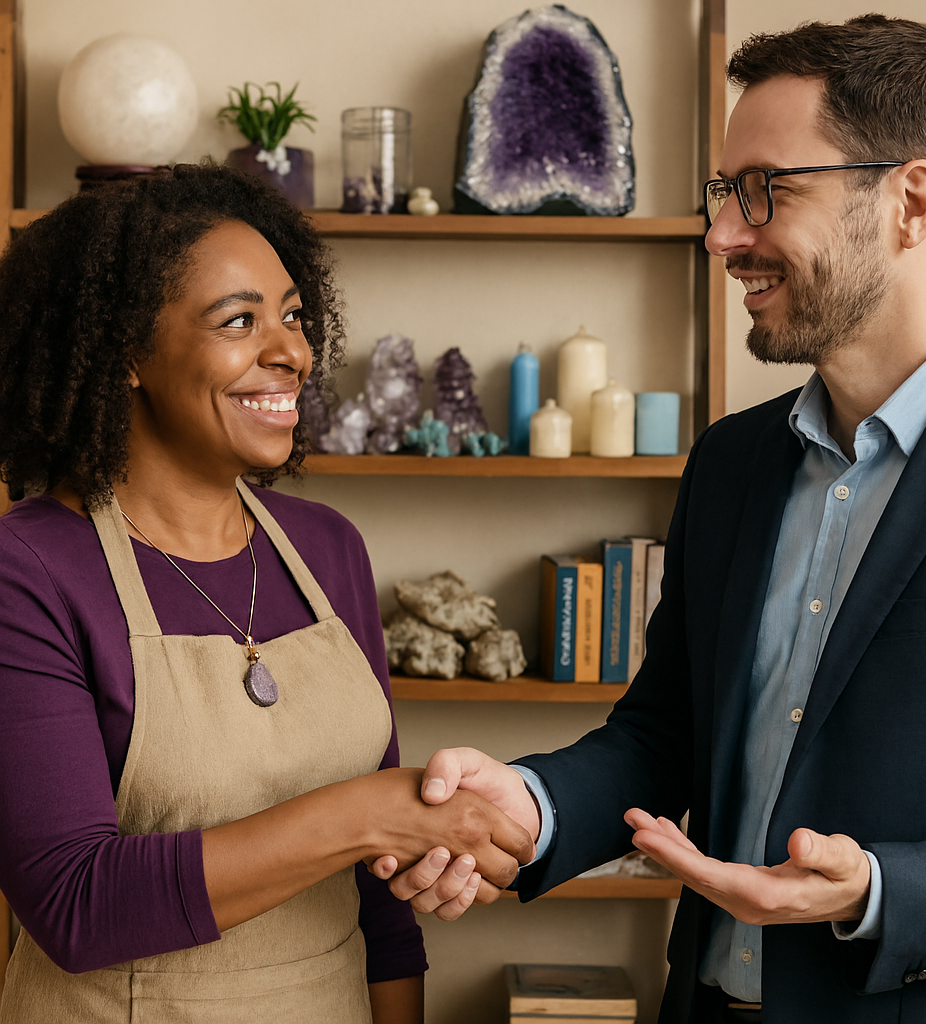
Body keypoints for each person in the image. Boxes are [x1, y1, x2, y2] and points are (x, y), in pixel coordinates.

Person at [371, 15, 926, 1023]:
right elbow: (665, 733)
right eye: (724, 194)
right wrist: (530, 805)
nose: (723, 234)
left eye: (763, 189)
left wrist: (879, 892)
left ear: (911, 202)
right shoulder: (730, 461)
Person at [0, 163, 532, 1024]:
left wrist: (390, 829)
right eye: (239, 321)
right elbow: (74, 903)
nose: (291, 350)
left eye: (291, 314)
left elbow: (382, 899)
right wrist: (371, 810)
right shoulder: (27, 570)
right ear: (127, 351)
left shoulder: (327, 549)